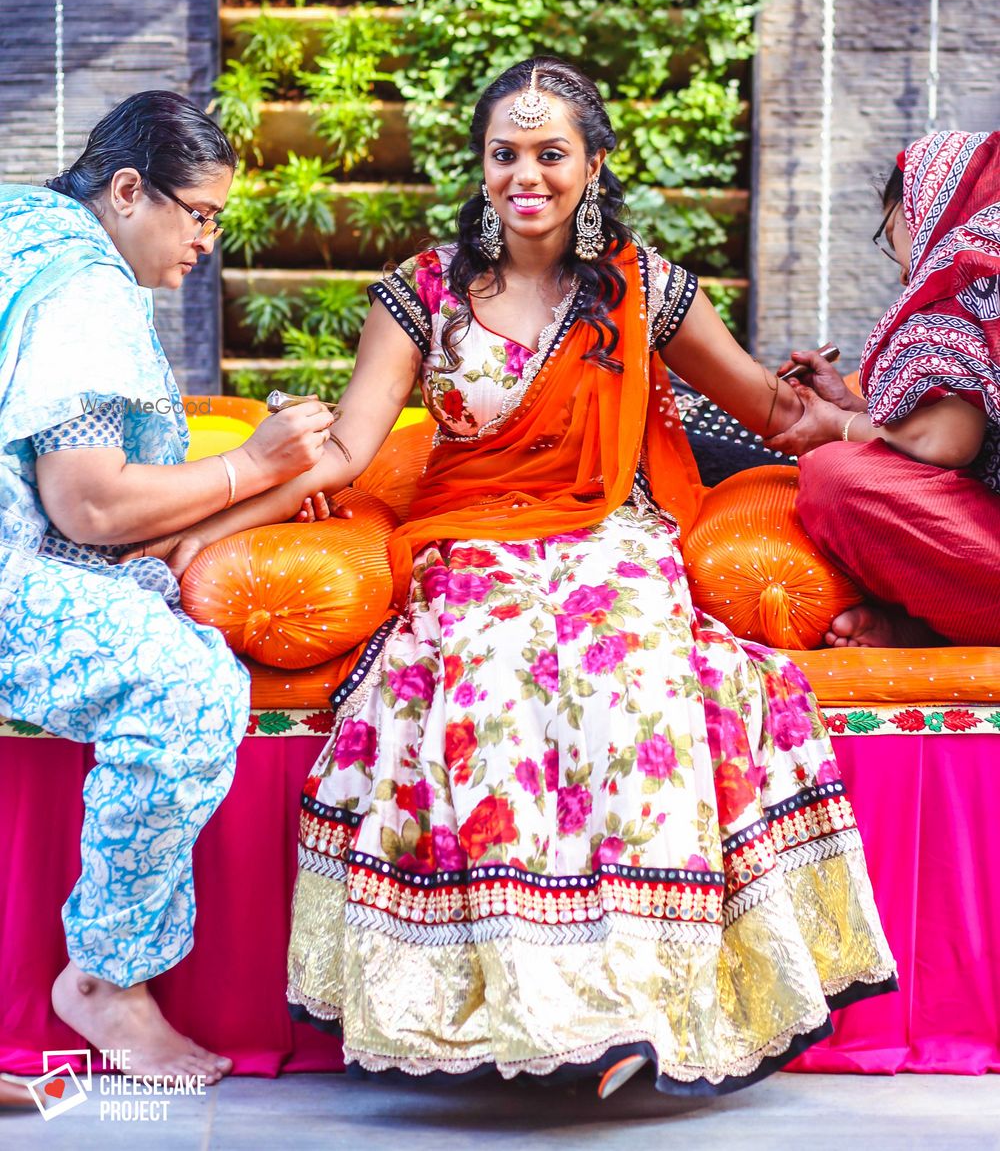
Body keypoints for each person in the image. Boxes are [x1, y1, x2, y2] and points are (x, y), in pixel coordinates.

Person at [161, 58, 895, 1097]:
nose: (527, 176)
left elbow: (775, 417)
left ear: (593, 165)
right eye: (506, 154)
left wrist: (898, 437)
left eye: (551, 155)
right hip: (469, 542)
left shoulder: (643, 290)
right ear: (482, 165)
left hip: (615, 538)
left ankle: (642, 999)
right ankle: (526, 1003)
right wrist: (209, 523)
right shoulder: (420, 294)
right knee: (492, 674)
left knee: (636, 674)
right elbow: (346, 449)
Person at [0, 92, 334, 1084]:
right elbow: (91, 508)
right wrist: (260, 465)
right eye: (201, 215)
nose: (207, 243)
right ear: (129, 190)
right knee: (185, 682)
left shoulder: (23, 228)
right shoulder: (84, 289)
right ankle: (103, 978)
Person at [770, 129, 1000, 648]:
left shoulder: (971, 270)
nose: (900, 267)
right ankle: (932, 627)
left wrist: (839, 426)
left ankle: (939, 630)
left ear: (922, 214)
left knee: (838, 475)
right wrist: (853, 407)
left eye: (890, 231)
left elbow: (949, 443)